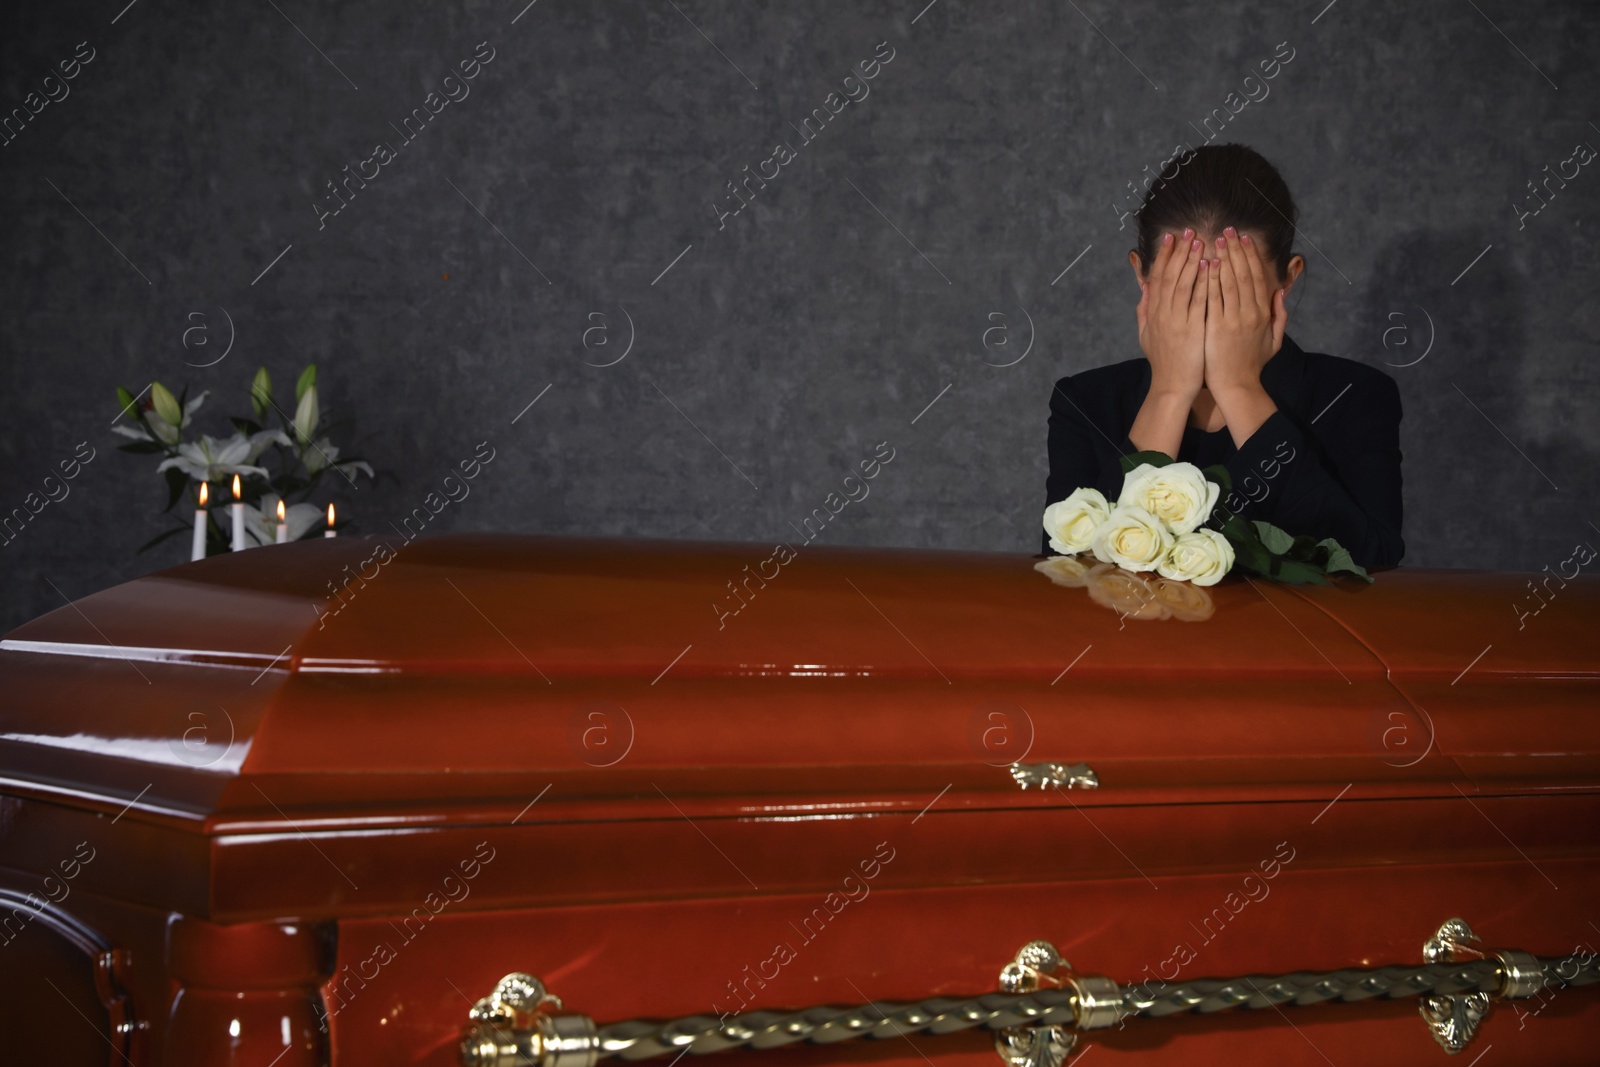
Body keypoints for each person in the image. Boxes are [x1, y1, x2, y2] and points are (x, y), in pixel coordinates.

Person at [1042, 143, 1404, 568]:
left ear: (1285, 281)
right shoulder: (1084, 403)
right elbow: (1074, 574)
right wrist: (1169, 392)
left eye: (1235, 289)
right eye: (1186, 288)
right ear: (1143, 276)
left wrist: (1239, 388)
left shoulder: (1355, 396)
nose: (1209, 310)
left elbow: (1368, 561)